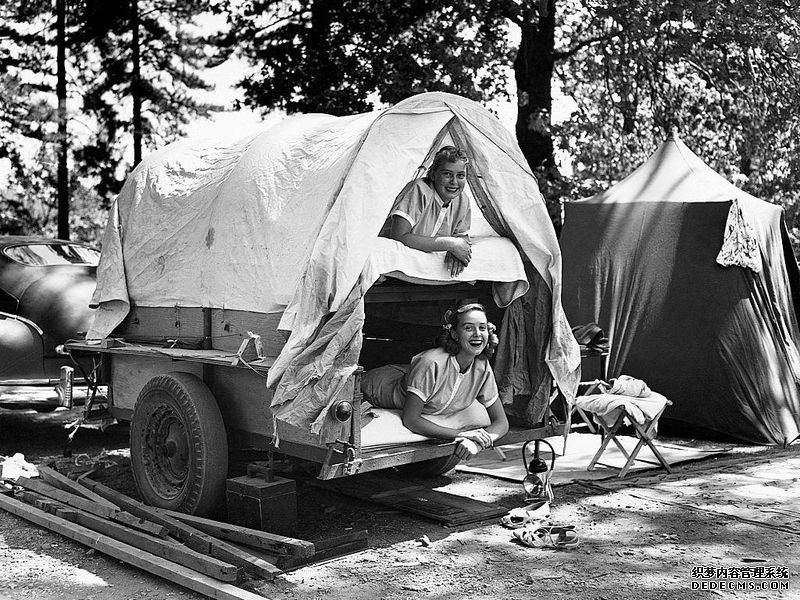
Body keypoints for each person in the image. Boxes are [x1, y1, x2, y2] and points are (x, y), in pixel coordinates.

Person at [362, 303, 509, 460]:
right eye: (468, 328)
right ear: (454, 334)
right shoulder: (431, 362)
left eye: (482, 327)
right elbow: (411, 419)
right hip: (376, 386)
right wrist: (460, 435)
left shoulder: (482, 366)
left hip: (408, 376)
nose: (477, 334)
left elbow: (501, 422)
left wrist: (478, 443)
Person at [385, 146, 473, 277]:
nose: (454, 182)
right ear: (433, 174)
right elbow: (398, 236)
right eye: (447, 174)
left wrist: (456, 251)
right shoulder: (419, 190)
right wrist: (451, 244)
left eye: (460, 175)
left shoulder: (462, 201)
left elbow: (461, 237)